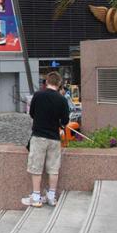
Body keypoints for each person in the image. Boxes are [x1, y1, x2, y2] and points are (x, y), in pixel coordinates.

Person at [22, 71, 70, 208]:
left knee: (36, 167)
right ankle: (51, 196)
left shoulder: (38, 95)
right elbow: (65, 121)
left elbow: (32, 113)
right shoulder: (62, 99)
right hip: (54, 138)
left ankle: (36, 197)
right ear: (59, 84)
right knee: (53, 168)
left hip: (38, 136)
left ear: (46, 82)